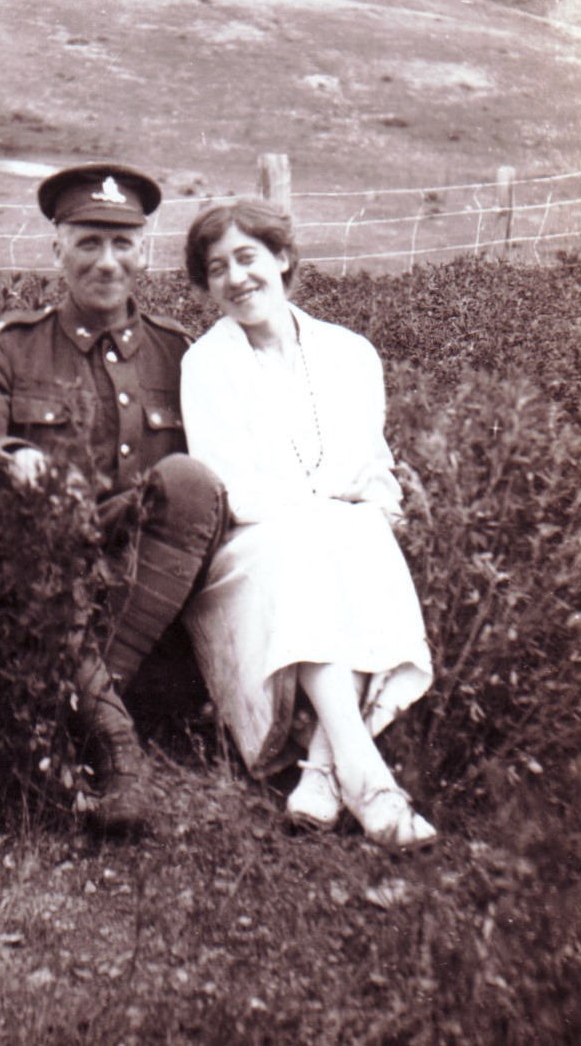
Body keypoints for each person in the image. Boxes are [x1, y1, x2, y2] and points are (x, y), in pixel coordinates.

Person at [0, 163, 227, 835]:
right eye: (88, 243)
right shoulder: (8, 347)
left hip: (147, 590)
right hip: (42, 575)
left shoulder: (183, 355)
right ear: (57, 248)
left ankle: (73, 714)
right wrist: (18, 462)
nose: (108, 262)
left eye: (123, 244)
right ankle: (116, 741)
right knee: (29, 511)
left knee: (191, 483)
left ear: (145, 250)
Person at [180, 198, 436, 850]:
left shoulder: (351, 354)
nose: (236, 278)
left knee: (361, 534)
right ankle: (370, 782)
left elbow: (373, 472)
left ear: (283, 258)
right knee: (318, 543)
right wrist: (328, 510)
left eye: (247, 258)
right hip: (253, 551)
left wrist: (362, 512)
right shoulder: (206, 365)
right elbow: (232, 489)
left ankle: (327, 774)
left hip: (341, 533)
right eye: (217, 269)